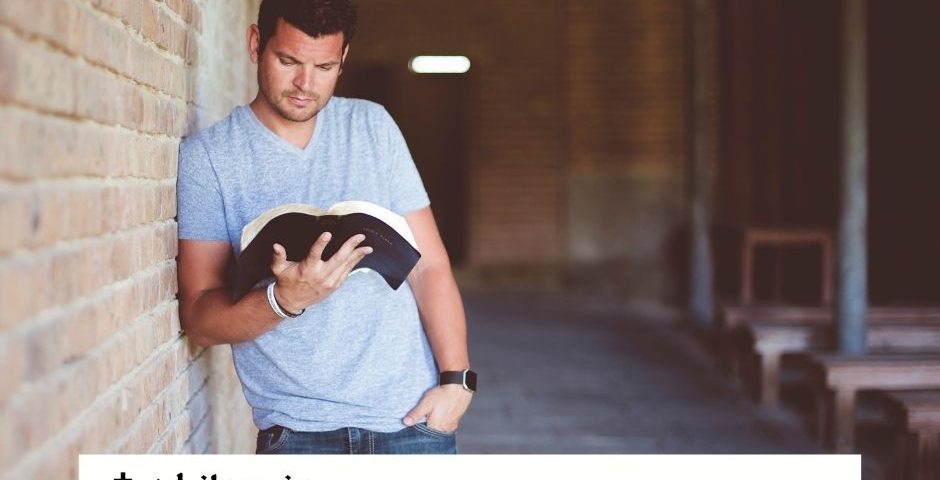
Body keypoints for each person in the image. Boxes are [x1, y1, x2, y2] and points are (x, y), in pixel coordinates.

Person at [175, 0, 474, 454]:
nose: (304, 84)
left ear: (343, 59)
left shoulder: (374, 127)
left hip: (413, 423)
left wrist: (457, 381)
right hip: (299, 436)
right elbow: (200, 318)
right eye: (288, 61)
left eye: (324, 66)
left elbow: (428, 266)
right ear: (256, 45)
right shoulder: (211, 159)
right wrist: (282, 301)